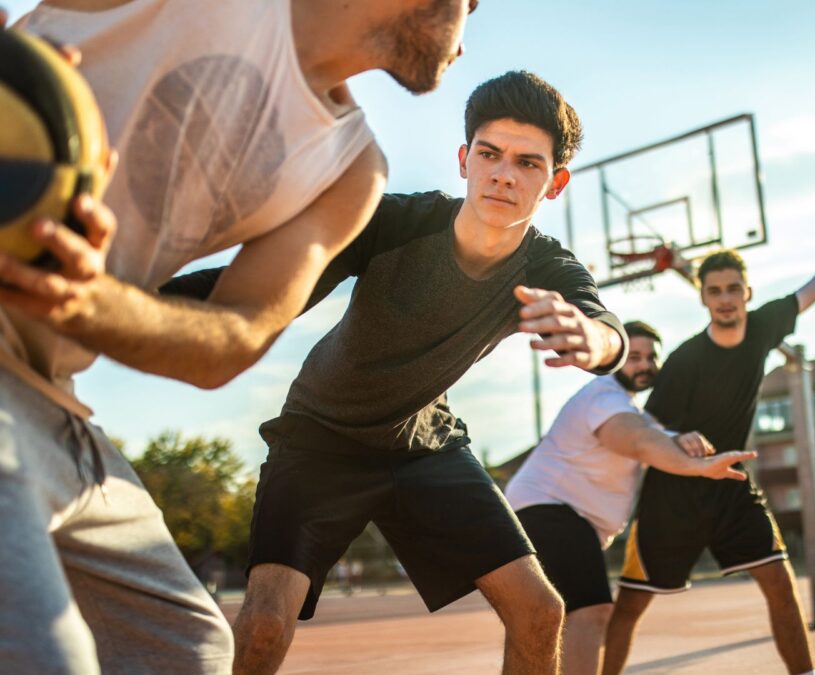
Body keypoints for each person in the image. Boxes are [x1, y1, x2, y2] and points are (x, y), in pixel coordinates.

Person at [0, 1, 477, 672]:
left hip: (49, 391)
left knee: (184, 648)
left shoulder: (350, 169)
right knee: (45, 655)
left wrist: (91, 302)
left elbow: (236, 334)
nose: (470, 27)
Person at [164, 70, 627, 675]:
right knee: (265, 625)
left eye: (527, 163)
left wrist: (592, 340)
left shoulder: (547, 268)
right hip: (320, 437)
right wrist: (134, 292)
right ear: (464, 160)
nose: (504, 175)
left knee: (540, 610)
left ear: (555, 182)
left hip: (422, 443)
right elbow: (267, 290)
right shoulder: (390, 223)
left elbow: (606, 328)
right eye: (489, 154)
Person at [603, 175, 815, 675]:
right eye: (714, 291)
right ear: (703, 298)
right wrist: (673, 439)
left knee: (780, 582)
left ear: (746, 293)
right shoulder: (685, 360)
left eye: (732, 289)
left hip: (730, 488)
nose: (724, 298)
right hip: (673, 495)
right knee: (631, 605)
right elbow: (644, 427)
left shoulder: (765, 327)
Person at [505, 320, 756, 675]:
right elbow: (636, 440)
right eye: (634, 356)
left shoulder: (627, 407)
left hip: (551, 514)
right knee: (591, 612)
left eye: (651, 357)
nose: (644, 365)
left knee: (549, 619)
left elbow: (647, 430)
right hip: (549, 508)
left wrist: (676, 438)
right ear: (615, 359)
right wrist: (695, 466)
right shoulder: (603, 397)